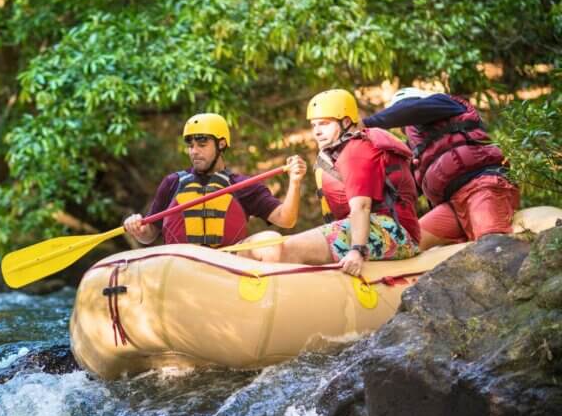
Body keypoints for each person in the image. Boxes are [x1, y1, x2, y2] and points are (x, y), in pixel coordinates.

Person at [271, 89, 421, 276]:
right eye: (314, 125)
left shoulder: (355, 150)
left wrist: (357, 250)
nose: (317, 131)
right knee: (278, 247)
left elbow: (362, 206)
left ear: (346, 122)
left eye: (324, 124)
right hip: (380, 227)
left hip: (395, 233)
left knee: (289, 249)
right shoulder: (342, 151)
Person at [123, 113, 307, 260]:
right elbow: (149, 235)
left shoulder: (241, 185)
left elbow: (286, 219)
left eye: (202, 144)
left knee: (270, 240)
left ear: (221, 144)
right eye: (191, 145)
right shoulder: (172, 183)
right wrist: (137, 228)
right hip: (179, 266)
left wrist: (295, 181)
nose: (194, 151)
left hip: (225, 266)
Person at [362, 87, 520, 249]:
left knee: (492, 245)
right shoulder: (417, 152)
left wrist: (366, 123)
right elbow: (400, 189)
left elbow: (414, 110)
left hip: (482, 185)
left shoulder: (444, 103)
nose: (407, 129)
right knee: (408, 243)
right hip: (451, 206)